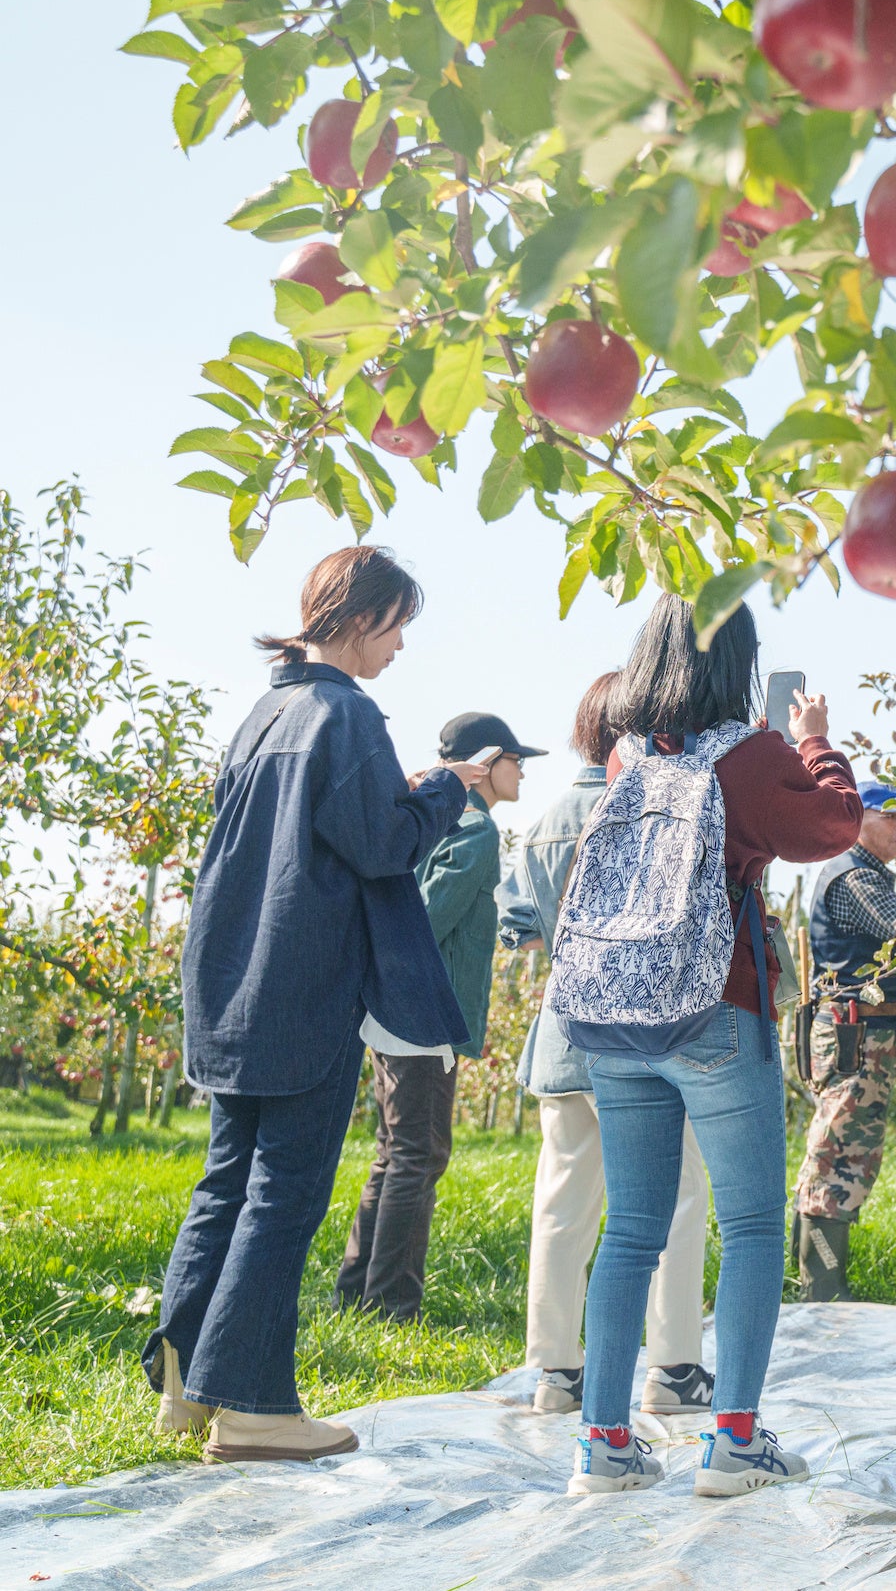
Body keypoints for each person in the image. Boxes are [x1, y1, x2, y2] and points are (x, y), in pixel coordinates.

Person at [147, 546, 481, 1462]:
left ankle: (185, 1381)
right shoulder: (347, 713)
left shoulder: (265, 713)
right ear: (360, 615)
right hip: (304, 982)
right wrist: (449, 789)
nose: (402, 643)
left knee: (228, 1178)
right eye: (398, 622)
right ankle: (252, 1406)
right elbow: (381, 846)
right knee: (283, 1192)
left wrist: (399, 795)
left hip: (231, 977)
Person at [561, 596, 861, 1500]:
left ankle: (603, 1443)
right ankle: (733, 1437)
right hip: (713, 1008)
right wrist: (814, 739)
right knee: (756, 1224)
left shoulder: (624, 757)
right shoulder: (748, 753)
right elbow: (835, 823)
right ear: (737, 659)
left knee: (632, 1231)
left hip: (615, 1016)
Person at [503, 673, 713, 1416]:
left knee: (562, 1208)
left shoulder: (547, 819)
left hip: (565, 1035)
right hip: (646, 1037)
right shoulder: (660, 808)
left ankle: (556, 1372)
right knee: (678, 1200)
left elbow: (521, 923)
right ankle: (673, 1365)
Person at [334, 710, 541, 1321]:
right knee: (419, 1154)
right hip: (423, 1013)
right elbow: (423, 923)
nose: (522, 770)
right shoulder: (475, 833)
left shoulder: (436, 824)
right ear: (483, 764)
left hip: (395, 1010)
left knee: (395, 1150)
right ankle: (391, 1304)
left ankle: (357, 1291)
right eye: (514, 758)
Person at [793, 784, 896, 1301]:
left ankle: (818, 1285)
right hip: (855, 1035)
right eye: (889, 815)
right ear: (858, 820)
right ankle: (821, 1290)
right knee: (838, 1154)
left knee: (847, 1150)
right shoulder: (854, 878)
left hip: (865, 1033)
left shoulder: (866, 875)